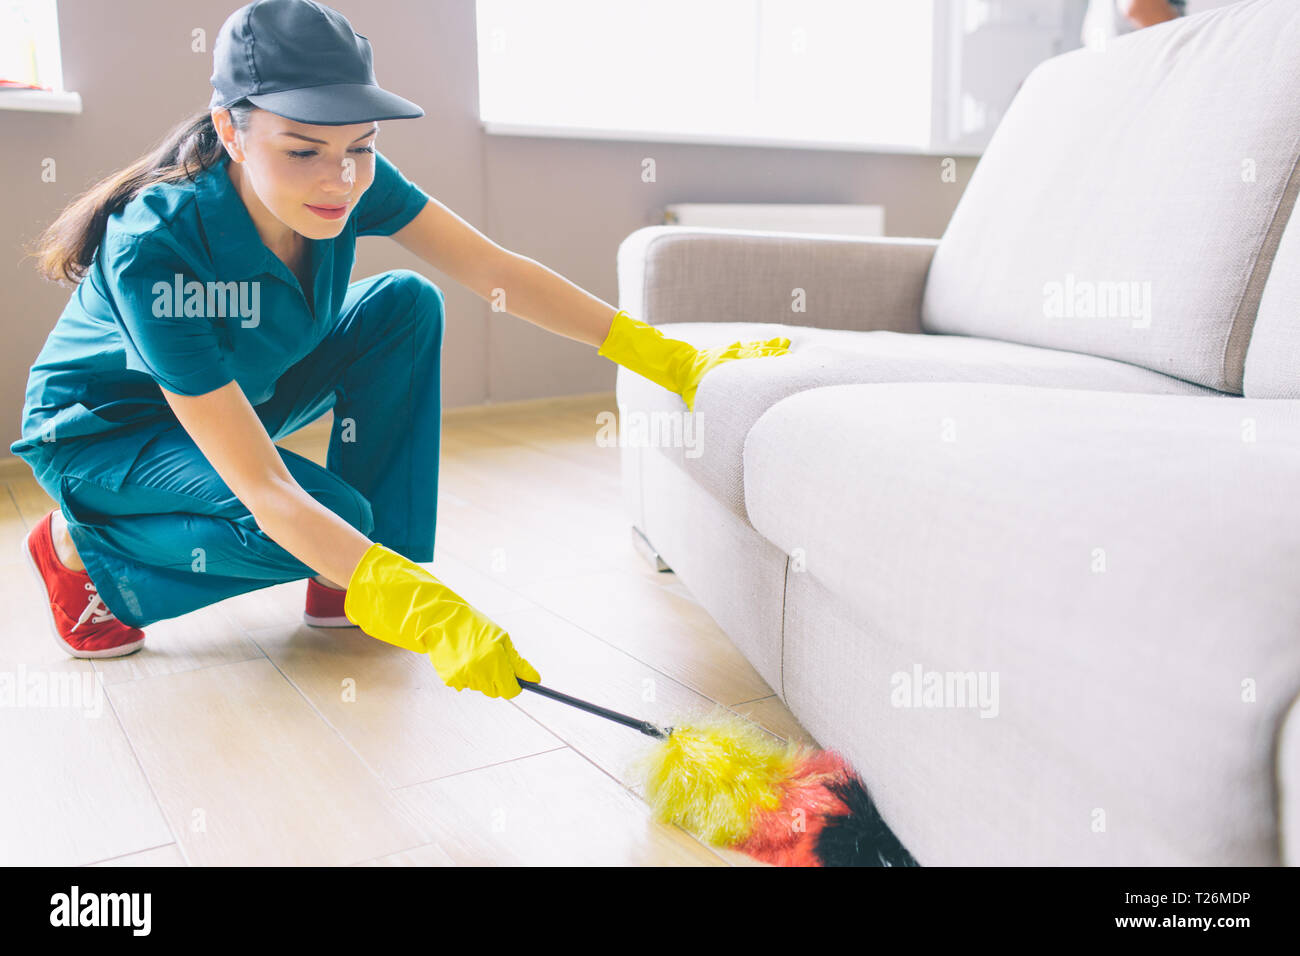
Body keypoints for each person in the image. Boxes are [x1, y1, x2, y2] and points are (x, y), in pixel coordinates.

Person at [12, 0, 790, 698]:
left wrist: (661, 355)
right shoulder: (159, 244)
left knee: (404, 305)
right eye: (303, 149)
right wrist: (428, 614)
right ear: (230, 131)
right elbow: (262, 486)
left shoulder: (343, 177)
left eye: (361, 145)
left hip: (230, 396)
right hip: (107, 434)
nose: (339, 178)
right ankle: (81, 553)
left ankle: (355, 575)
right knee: (319, 516)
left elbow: (496, 272)